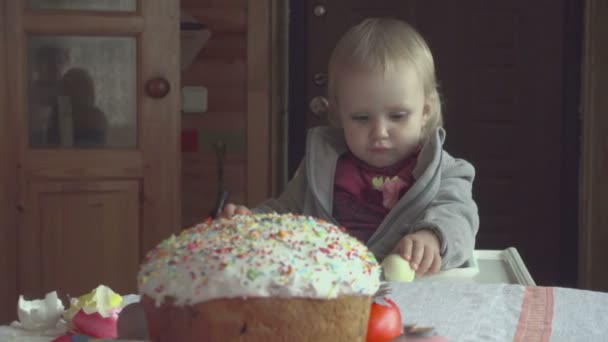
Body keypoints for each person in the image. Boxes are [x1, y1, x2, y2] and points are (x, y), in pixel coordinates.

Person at [222, 18, 479, 276]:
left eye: (398, 116)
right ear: (339, 114)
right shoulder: (322, 168)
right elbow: (286, 212)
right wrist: (252, 222)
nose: (379, 132)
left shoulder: (445, 172)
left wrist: (432, 237)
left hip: (412, 295)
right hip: (330, 290)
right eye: (361, 118)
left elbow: (459, 218)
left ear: (425, 112)